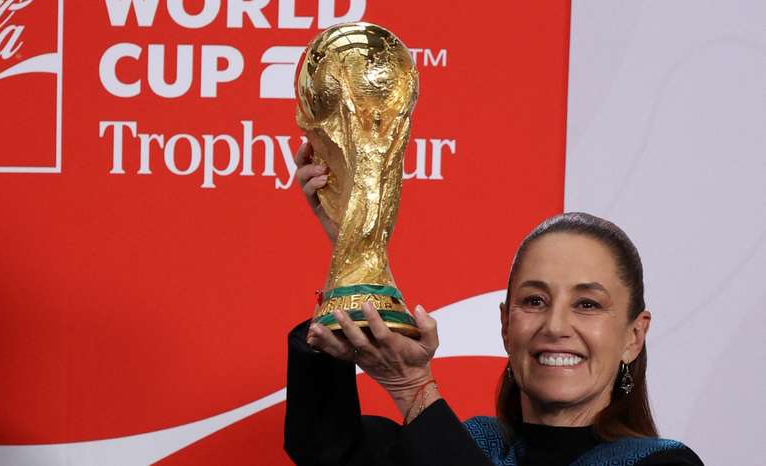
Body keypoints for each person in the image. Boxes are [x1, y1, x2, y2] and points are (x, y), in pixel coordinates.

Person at [284, 142, 704, 466]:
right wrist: (356, 250)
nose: (555, 326)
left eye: (588, 305)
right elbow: (328, 448)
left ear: (634, 335)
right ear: (505, 324)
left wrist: (414, 391)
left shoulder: (664, 462)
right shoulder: (465, 444)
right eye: (535, 300)